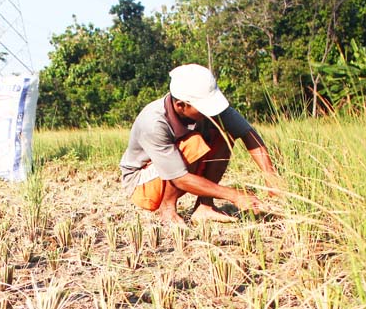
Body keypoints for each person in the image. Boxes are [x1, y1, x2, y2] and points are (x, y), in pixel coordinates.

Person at [119, 64, 282, 226]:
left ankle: (204, 206)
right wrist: (234, 195)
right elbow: (179, 178)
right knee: (193, 143)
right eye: (203, 107)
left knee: (226, 133)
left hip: (174, 172)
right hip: (142, 184)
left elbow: (248, 133)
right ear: (180, 105)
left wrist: (270, 175)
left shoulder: (211, 110)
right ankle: (167, 209)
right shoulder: (154, 122)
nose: (210, 112)